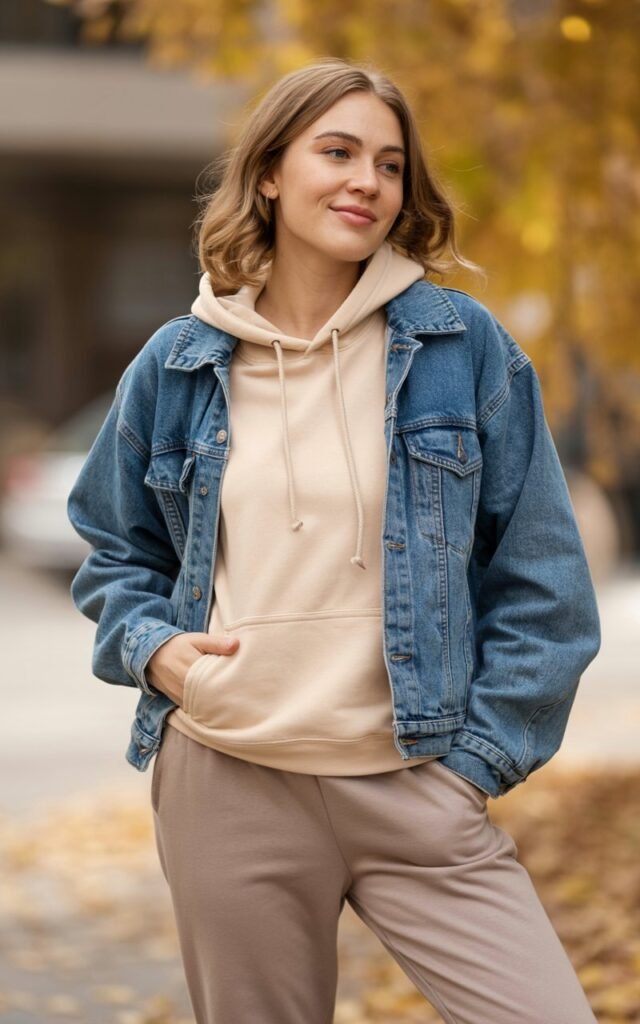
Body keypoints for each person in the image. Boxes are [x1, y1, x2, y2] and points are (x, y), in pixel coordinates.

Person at [67, 57, 602, 1024]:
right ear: (269, 172)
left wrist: (476, 764)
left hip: (416, 785)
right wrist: (157, 654)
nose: (367, 181)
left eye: (390, 165)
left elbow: (544, 579)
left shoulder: (462, 346)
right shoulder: (178, 363)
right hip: (230, 784)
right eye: (338, 151)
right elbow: (114, 547)